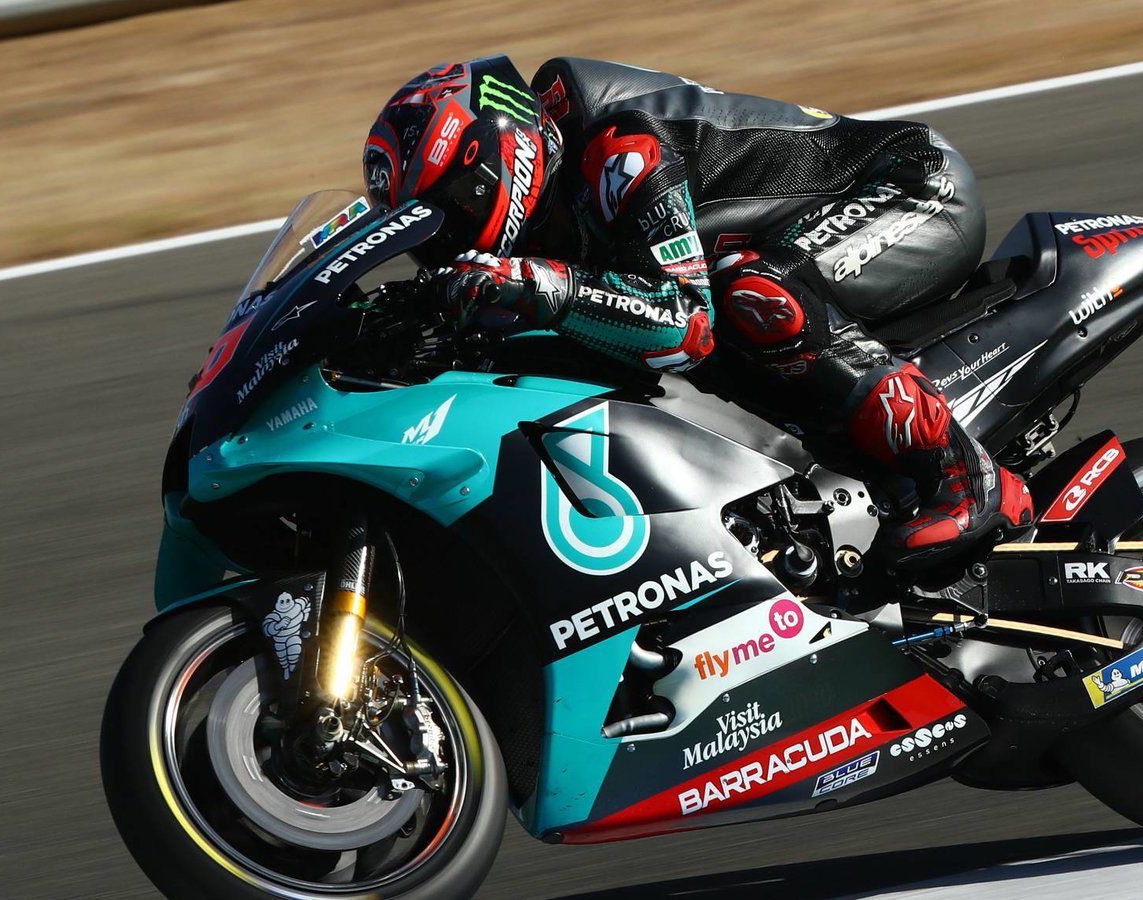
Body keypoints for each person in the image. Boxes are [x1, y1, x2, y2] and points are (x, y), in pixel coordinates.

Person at [363, 56, 1033, 568]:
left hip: (913, 186)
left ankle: (965, 475)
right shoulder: (548, 196)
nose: (451, 241)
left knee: (754, 291)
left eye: (459, 207)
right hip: (796, 242)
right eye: (431, 235)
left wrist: (536, 284)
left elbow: (682, 323)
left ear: (505, 150)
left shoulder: (621, 145)